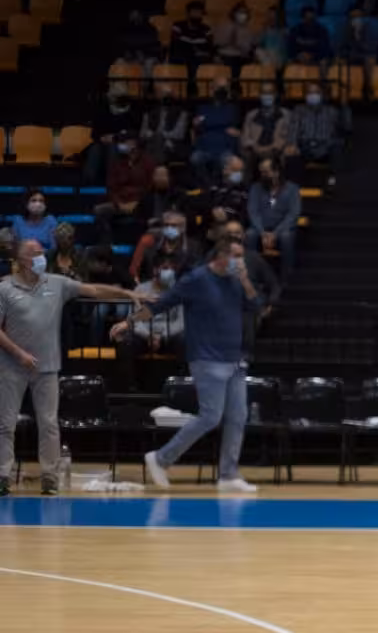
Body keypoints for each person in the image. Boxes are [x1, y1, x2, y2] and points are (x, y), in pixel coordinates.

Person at [0, 241, 149, 496]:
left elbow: (93, 290)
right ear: (22, 260)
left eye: (42, 253)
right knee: (5, 423)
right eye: (35, 254)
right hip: (11, 366)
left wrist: (128, 294)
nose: (41, 257)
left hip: (47, 367)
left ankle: (50, 478)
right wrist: (19, 353)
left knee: (49, 423)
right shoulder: (4, 288)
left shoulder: (56, 283)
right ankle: (2, 476)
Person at [121, 239, 262, 493]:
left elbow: (255, 305)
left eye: (241, 257)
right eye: (235, 256)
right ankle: (161, 458)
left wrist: (244, 280)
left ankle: (228, 474)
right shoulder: (196, 279)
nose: (240, 262)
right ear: (220, 256)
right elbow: (161, 304)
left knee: (238, 417)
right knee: (210, 416)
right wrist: (129, 322)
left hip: (235, 359)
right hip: (207, 358)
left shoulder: (235, 280)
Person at [96, 132, 156, 247]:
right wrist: (118, 203)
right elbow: (111, 187)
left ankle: (140, 245)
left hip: (140, 204)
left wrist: (138, 203)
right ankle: (106, 244)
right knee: (99, 211)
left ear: (134, 144)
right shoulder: (116, 162)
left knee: (147, 212)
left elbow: (150, 187)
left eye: (124, 142)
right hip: (120, 202)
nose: (121, 145)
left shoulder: (148, 162)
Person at [247, 157, 301, 282]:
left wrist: (275, 234)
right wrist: (262, 232)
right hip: (261, 228)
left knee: (286, 237)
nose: (262, 175)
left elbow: (293, 214)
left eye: (266, 172)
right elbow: (253, 212)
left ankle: (286, 276)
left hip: (283, 228)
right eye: (261, 172)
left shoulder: (292, 189)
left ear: (277, 172)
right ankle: (252, 274)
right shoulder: (256, 188)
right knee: (250, 234)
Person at [284, 84, 344, 186]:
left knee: (337, 146)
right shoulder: (299, 110)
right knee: (291, 152)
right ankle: (293, 186)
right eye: (310, 93)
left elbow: (343, 129)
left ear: (321, 95)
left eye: (316, 93)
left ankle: (332, 181)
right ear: (305, 95)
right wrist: (292, 143)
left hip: (325, 147)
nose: (313, 95)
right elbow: (293, 128)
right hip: (305, 147)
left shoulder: (331, 111)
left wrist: (344, 106)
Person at [130, 209, 199, 285]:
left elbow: (195, 272)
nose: (169, 228)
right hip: (152, 286)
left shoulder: (193, 247)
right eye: (166, 225)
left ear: (183, 228)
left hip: (180, 286)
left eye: (174, 225)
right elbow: (136, 270)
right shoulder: (150, 242)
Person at [241, 84, 288, 166]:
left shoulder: (285, 114)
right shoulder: (251, 115)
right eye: (264, 93)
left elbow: (285, 136)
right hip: (255, 150)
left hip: (275, 150)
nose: (267, 96)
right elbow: (245, 136)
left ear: (275, 95)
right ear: (260, 95)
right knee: (246, 155)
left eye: (270, 93)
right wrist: (255, 147)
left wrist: (269, 149)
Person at [202, 155, 250, 230]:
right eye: (235, 171)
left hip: (234, 225)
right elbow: (205, 204)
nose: (239, 174)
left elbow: (245, 214)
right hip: (212, 221)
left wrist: (228, 216)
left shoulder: (244, 190)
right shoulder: (215, 186)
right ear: (225, 170)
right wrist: (213, 211)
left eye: (241, 171)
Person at [140, 93, 189, 167]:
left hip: (172, 143)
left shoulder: (181, 114)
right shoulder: (151, 113)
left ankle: (155, 170)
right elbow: (142, 134)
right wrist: (154, 135)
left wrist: (160, 135)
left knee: (158, 141)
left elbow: (179, 135)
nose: (165, 109)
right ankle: (159, 170)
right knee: (155, 142)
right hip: (152, 142)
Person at [169, 1, 215, 78]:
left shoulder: (206, 29)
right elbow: (176, 43)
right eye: (194, 12)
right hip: (181, 56)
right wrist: (193, 49)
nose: (197, 15)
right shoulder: (178, 26)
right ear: (188, 13)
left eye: (199, 13)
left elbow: (209, 45)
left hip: (199, 58)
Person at [339, 6, 378, 83]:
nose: (356, 19)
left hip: (367, 53)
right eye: (353, 17)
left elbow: (373, 45)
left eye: (358, 17)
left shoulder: (369, 28)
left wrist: (359, 35)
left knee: (370, 58)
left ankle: (367, 84)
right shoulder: (347, 28)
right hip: (352, 53)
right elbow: (343, 44)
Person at [214, 2, 258, 74]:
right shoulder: (224, 27)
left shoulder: (249, 31)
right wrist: (229, 41)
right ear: (234, 13)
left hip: (241, 58)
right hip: (225, 56)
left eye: (244, 12)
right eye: (240, 12)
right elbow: (216, 45)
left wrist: (240, 46)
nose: (242, 15)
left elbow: (250, 48)